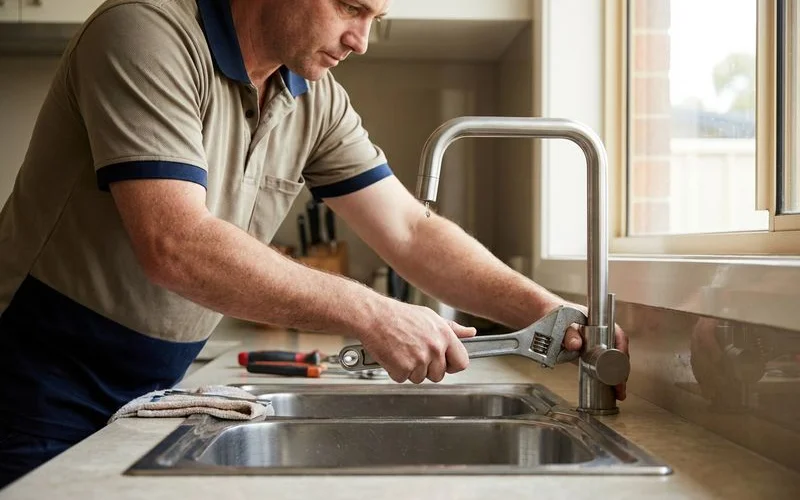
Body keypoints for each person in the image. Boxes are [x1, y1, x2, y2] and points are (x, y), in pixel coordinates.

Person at [0, 0, 628, 487]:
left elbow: (410, 231)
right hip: (34, 376)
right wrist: (372, 311)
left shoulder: (314, 98)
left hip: (153, 390)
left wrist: (553, 315)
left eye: (375, 17)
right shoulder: (145, 33)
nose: (361, 39)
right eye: (351, 9)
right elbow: (177, 243)